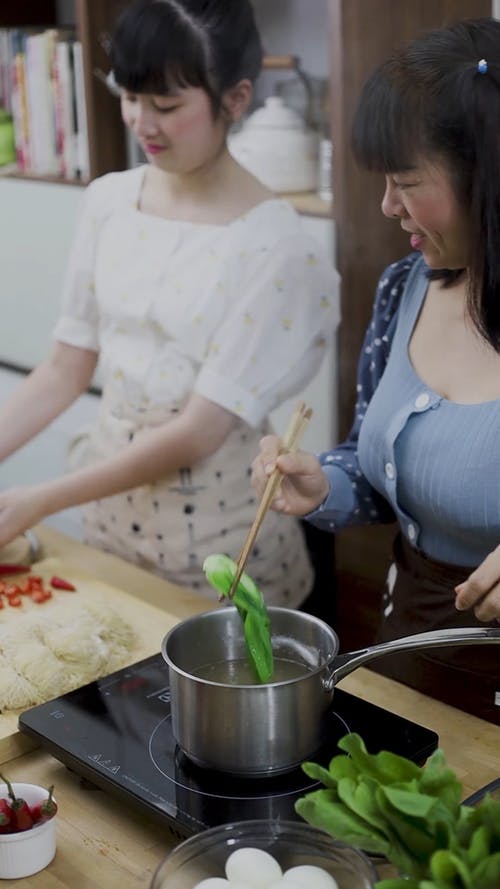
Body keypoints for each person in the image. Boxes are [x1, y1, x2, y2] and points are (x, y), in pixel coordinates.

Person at [0, 0, 339, 605]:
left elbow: (197, 432)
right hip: (107, 524)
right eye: (130, 97)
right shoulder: (109, 201)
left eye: (167, 106)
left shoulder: (278, 248)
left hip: (219, 548)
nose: (141, 122)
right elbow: (63, 370)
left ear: (235, 99)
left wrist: (41, 498)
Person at [252, 17, 500, 723]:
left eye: (406, 182)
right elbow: (379, 469)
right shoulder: (405, 287)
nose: (389, 207)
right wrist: (322, 481)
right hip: (408, 651)